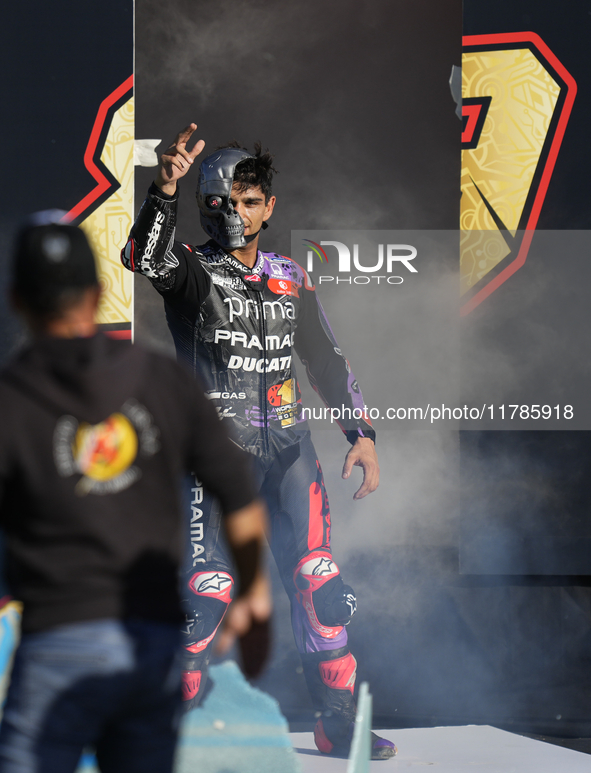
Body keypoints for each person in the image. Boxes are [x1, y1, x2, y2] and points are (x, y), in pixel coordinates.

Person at [122, 123, 397, 760]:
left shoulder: (291, 277)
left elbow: (327, 363)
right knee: (206, 594)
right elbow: (144, 258)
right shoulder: (190, 271)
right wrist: (164, 188)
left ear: (269, 208)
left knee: (321, 584)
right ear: (204, 207)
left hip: (289, 454)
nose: (235, 214)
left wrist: (361, 435)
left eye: (248, 201)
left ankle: (334, 723)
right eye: (220, 201)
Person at [0, 214, 271, 773]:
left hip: (58, 640)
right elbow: (238, 495)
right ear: (98, 295)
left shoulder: (10, 397)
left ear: (17, 301)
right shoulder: (162, 380)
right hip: (149, 648)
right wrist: (256, 600)